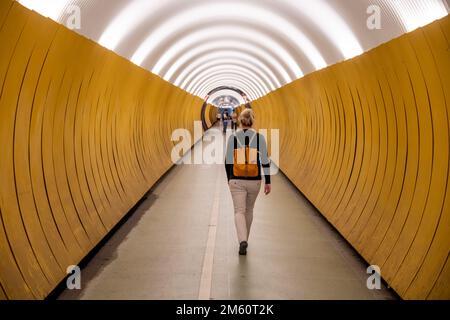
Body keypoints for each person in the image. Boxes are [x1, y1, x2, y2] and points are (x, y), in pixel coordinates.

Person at [224, 108, 271, 255]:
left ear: (240, 121)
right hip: (254, 180)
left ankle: (242, 240)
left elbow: (228, 162)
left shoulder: (233, 138)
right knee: (249, 210)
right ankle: (245, 240)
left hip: (236, 180)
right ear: (252, 121)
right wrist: (268, 181)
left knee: (239, 211)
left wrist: (229, 178)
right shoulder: (259, 138)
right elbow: (264, 161)